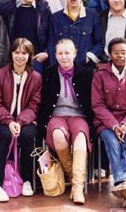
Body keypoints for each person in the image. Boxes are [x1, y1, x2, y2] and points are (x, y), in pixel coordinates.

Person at [91, 38, 126, 208]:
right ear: (110, 54)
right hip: (107, 122)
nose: (119, 56)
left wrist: (125, 124)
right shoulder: (100, 75)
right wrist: (115, 125)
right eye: (115, 52)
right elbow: (97, 105)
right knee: (113, 143)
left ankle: (123, 185)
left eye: (123, 52)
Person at [38, 39, 93, 204]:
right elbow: (42, 101)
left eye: (67, 53)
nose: (64, 57)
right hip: (56, 115)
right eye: (60, 53)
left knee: (81, 139)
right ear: (55, 55)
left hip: (79, 115)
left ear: (75, 54)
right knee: (58, 135)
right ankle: (73, 177)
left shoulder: (86, 74)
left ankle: (77, 188)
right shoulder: (48, 74)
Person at [0, 38, 41, 202]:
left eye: (24, 53)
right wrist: (9, 121)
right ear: (11, 54)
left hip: (25, 121)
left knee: (27, 136)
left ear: (30, 56)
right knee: (4, 136)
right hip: (2, 120)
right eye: (16, 52)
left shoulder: (36, 78)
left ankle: (26, 180)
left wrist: (20, 122)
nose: (20, 56)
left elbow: (34, 105)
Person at [0, 0, 51, 73]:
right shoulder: (5, 8)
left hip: (36, 60)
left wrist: (46, 52)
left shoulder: (44, 8)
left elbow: (51, 34)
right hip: (11, 60)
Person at [49, 0, 102, 69]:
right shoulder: (55, 17)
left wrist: (89, 57)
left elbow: (100, 42)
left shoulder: (93, 16)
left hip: (85, 68)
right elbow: (51, 43)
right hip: (61, 67)